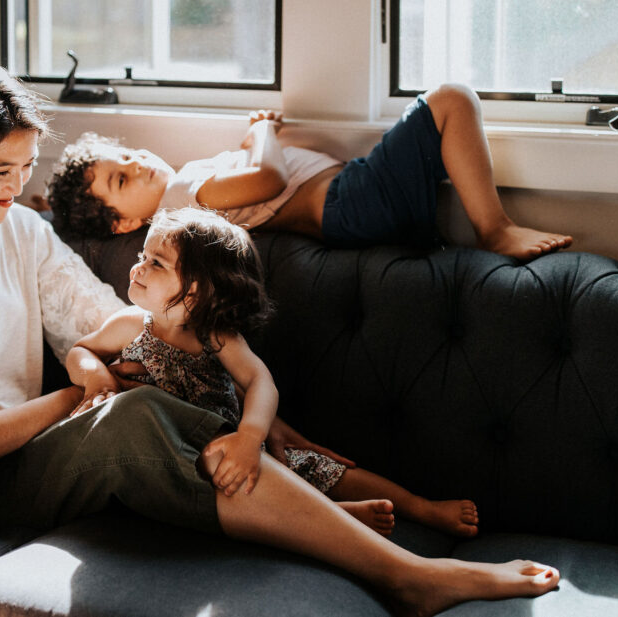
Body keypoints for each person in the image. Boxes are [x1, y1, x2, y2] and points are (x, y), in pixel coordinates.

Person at [0, 57, 559, 617]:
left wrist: (178, 322)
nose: (14, 185)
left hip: (24, 466)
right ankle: (392, 562)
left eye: (24, 168)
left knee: (143, 415)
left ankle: (398, 569)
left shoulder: (22, 233)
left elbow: (108, 318)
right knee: (122, 418)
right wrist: (70, 393)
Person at [67, 207, 480, 538]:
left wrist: (250, 436)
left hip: (236, 447)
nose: (137, 268)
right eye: (142, 257)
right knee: (225, 489)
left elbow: (258, 381)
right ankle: (336, 517)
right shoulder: (129, 324)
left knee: (321, 468)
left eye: (154, 262)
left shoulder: (216, 336)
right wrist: (97, 377)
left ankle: (420, 507)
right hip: (177, 459)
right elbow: (80, 350)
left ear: (197, 291)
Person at [46, 84, 573, 260]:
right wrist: (261, 132)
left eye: (130, 157)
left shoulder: (187, 191)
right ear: (122, 226)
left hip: (354, 210)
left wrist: (41, 206)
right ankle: (495, 228)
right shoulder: (185, 197)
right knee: (452, 99)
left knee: (443, 127)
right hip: (350, 203)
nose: (138, 167)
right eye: (121, 180)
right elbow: (268, 178)